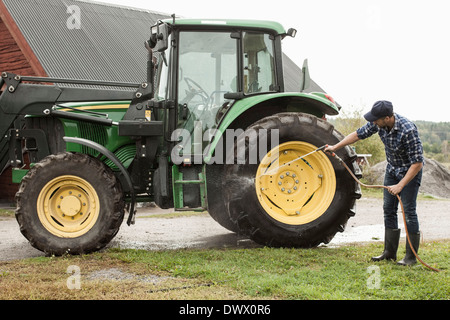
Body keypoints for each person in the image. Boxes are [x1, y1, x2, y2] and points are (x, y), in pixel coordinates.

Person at [325, 100, 424, 266]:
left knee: (408, 212)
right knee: (388, 209)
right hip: (392, 170)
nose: (373, 122)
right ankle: (389, 252)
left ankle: (410, 257)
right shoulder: (378, 125)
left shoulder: (408, 130)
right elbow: (357, 134)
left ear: (387, 117)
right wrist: (336, 146)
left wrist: (400, 185)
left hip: (409, 173)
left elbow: (417, 163)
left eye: (376, 119)